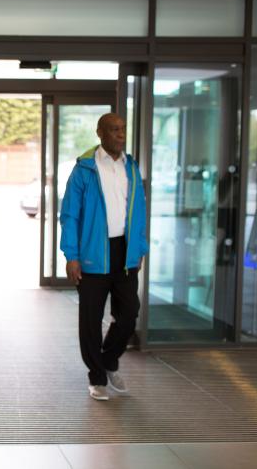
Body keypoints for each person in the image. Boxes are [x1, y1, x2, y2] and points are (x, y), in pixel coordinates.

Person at [59, 113, 148, 401]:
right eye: (114, 129)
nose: (120, 134)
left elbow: (140, 213)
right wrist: (71, 256)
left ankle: (109, 360)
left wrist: (140, 248)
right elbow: (69, 215)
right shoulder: (85, 169)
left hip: (124, 255)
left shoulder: (131, 168)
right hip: (93, 254)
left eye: (123, 129)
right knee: (90, 320)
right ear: (100, 133)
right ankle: (96, 377)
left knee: (128, 315)